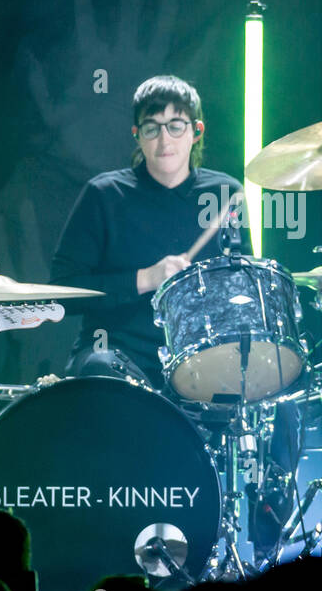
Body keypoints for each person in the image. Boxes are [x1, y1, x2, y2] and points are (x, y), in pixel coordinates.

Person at [50, 75, 251, 389]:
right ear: (137, 135)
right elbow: (62, 294)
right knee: (103, 368)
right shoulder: (103, 195)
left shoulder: (226, 194)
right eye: (152, 127)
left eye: (176, 125)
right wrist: (145, 279)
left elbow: (242, 289)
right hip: (115, 354)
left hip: (196, 358)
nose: (164, 140)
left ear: (196, 132)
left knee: (271, 386)